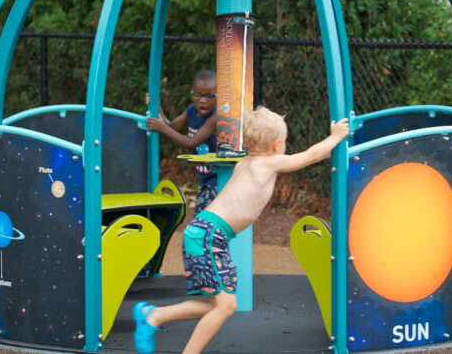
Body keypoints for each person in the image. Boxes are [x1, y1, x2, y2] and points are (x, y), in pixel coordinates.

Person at [134, 106, 350, 354]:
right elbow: (311, 155)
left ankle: (154, 315)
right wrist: (335, 136)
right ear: (276, 144)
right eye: (285, 141)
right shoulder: (268, 163)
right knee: (225, 307)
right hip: (209, 235)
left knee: (219, 305)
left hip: (205, 233)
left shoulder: (245, 162)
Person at [146, 70, 219, 213]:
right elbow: (172, 126)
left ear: (219, 96)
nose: (203, 101)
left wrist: (161, 128)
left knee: (203, 219)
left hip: (218, 179)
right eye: (198, 95)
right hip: (204, 178)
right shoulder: (191, 111)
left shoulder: (216, 118)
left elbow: (191, 143)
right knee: (204, 218)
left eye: (210, 96)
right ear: (191, 93)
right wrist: (157, 107)